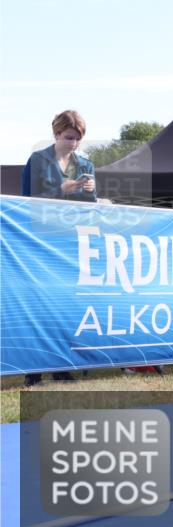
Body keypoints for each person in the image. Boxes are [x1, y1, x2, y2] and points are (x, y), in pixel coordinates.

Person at [21, 110, 95, 386]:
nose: (74, 143)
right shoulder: (38, 160)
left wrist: (89, 192)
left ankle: (62, 366)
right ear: (56, 133)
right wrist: (61, 190)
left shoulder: (84, 162)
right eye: (69, 137)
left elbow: (91, 205)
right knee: (39, 305)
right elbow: (27, 200)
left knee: (66, 305)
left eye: (78, 138)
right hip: (40, 242)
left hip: (70, 242)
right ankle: (34, 370)